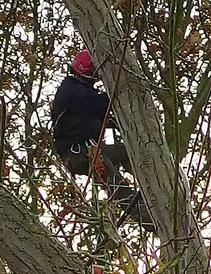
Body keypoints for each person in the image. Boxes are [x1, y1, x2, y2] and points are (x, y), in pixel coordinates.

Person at [51, 50, 154, 229]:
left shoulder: (78, 90)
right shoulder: (73, 91)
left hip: (84, 149)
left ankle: (150, 182)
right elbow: (101, 104)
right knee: (118, 185)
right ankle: (150, 222)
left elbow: (101, 115)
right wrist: (120, 87)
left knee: (127, 152)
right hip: (81, 153)